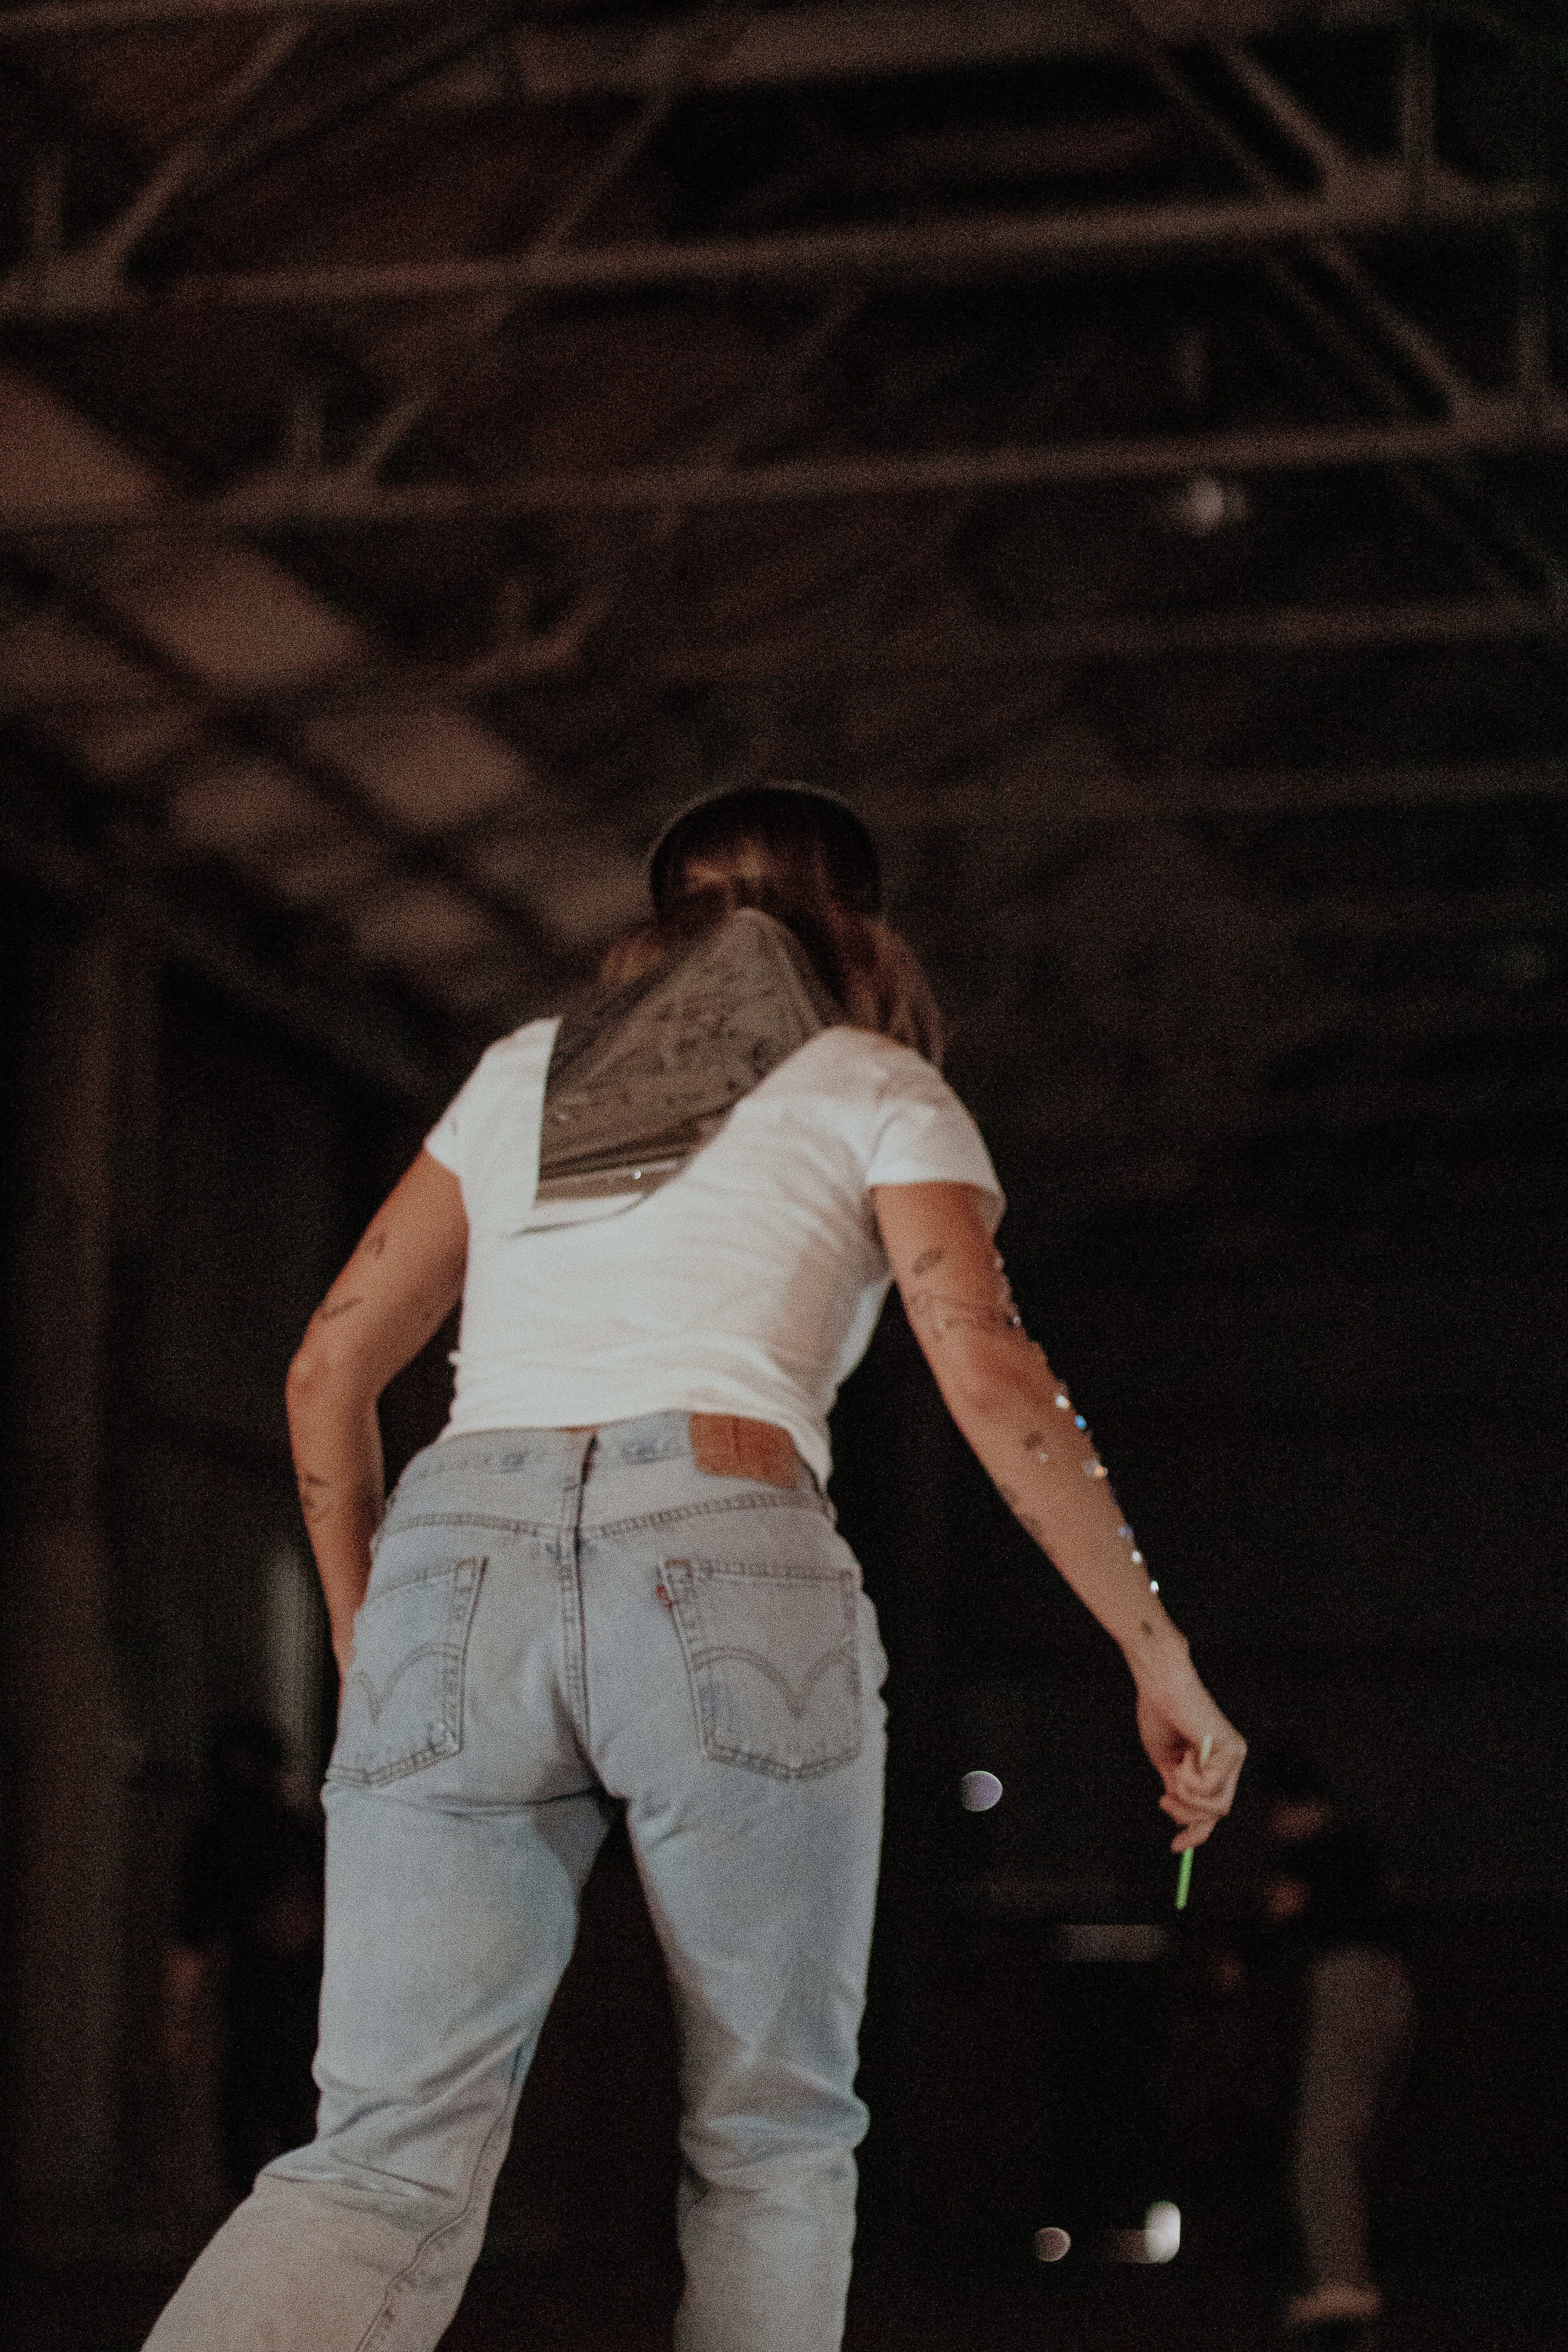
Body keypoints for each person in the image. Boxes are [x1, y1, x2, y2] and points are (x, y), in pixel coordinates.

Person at [145, 784, 1245, 2352]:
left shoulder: (524, 1074)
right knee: (772, 2136)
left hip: (457, 1559)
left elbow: (326, 1369)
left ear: (653, 922)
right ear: (855, 929)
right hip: (724, 1542)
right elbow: (989, 1372)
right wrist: (1156, 1651)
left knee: (376, 2157)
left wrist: (372, 1637)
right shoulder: (875, 1082)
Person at [1253, 1746, 1413, 2333]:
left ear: (1283, 1805)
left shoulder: (1312, 1853)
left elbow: (1278, 1917)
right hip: (1394, 1987)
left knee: (1320, 2145)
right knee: (1345, 2138)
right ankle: (1348, 2277)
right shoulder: (1363, 1848)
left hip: (1350, 1983)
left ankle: (1342, 2281)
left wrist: (1239, 1961)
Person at [162, 1714, 325, 2209]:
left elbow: (194, 1937)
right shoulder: (298, 1832)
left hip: (265, 1999)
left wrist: (178, 2017)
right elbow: (195, 1934)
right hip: (285, 1998)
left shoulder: (224, 1836)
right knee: (277, 2116)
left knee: (254, 2118)